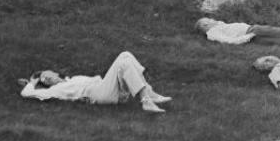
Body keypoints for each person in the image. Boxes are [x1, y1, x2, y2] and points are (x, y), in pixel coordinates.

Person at [19, 50, 171, 113]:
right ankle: (146, 100)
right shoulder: (57, 90)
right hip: (98, 95)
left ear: (55, 72)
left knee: (126, 54)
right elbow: (27, 94)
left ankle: (149, 93)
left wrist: (116, 82)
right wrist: (33, 81)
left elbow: (99, 80)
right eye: (45, 80)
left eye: (47, 74)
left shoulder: (74, 79)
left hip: (105, 88)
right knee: (123, 62)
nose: (47, 78)